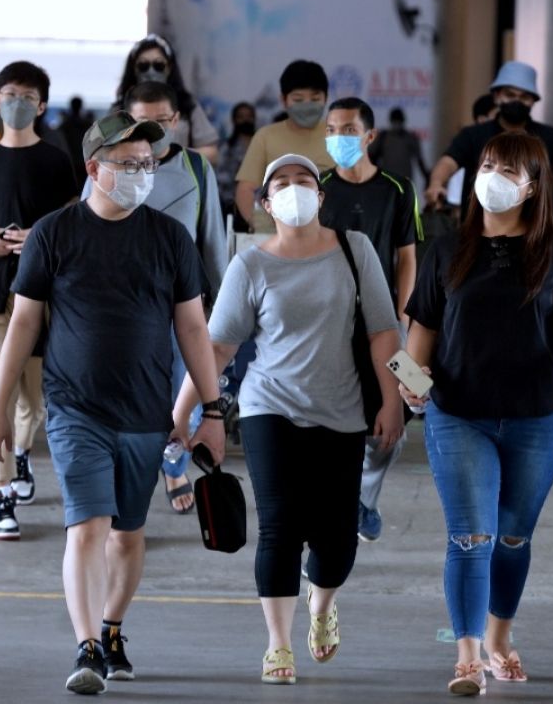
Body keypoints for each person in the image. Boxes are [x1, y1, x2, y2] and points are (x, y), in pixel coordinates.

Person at [0, 111, 225, 694]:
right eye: (129, 164)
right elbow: (23, 324)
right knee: (87, 526)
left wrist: (209, 411)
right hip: (74, 409)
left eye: (149, 164)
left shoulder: (170, 238)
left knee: (127, 534)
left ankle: (113, 628)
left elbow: (193, 329)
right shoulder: (53, 234)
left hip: (147, 412)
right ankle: (87, 644)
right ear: (95, 168)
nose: (143, 173)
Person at [401, 132, 553, 695]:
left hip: (537, 416)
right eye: (487, 166)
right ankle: (467, 654)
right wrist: (411, 386)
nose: (493, 177)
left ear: (533, 186)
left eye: (509, 170)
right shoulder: (446, 251)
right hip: (459, 415)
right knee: (470, 536)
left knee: (511, 537)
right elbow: (421, 330)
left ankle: (500, 636)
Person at [174, 153, 402, 685]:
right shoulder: (250, 265)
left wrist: (392, 399)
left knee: (337, 537)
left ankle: (321, 607)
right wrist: (184, 412)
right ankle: (278, 644)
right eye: (282, 183)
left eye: (305, 182)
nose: (295, 190)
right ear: (265, 203)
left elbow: (382, 332)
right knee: (279, 527)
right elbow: (218, 347)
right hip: (268, 408)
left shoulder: (354, 249)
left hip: (343, 411)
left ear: (320, 198)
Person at [80, 80, 229, 514]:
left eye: (162, 120)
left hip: (181, 305)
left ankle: (174, 464)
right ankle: (125, 470)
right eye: (144, 121)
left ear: (176, 120)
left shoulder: (196, 169)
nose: (155, 128)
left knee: (183, 391)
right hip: (119, 310)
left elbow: (212, 240)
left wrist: (218, 303)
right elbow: (86, 227)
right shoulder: (107, 170)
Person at [0, 61, 80, 540]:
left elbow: (75, 223)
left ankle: (23, 456)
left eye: (27, 96)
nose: (17, 102)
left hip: (41, 293)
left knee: (32, 399)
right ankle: (1, 495)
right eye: (9, 94)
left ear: (42, 105)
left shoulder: (56, 160)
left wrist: (40, 236)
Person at [320, 97, 421, 542]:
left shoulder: (398, 189)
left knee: (408, 404)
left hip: (386, 326)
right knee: (331, 424)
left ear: (369, 136)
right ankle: (343, 510)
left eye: (346, 130)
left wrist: (402, 317)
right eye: (331, 130)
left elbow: (407, 259)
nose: (337, 138)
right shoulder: (317, 186)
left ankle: (362, 498)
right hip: (328, 327)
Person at [423, 61, 553, 247]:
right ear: (497, 97)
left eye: (524, 97)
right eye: (510, 95)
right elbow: (448, 162)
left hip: (534, 236)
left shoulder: (550, 137)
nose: (517, 101)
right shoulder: (473, 135)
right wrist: (436, 184)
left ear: (533, 101)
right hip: (478, 235)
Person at [233, 60, 334, 231]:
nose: (307, 105)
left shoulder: (338, 136)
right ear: (284, 100)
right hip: (280, 234)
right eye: (298, 99)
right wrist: (261, 225)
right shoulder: (266, 136)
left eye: (315, 98)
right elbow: (245, 189)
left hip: (331, 232)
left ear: (326, 98)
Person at [114, 34, 219, 164]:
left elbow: (212, 152)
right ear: (134, 69)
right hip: (133, 177)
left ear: (169, 68)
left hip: (179, 178)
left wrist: (174, 155)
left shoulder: (187, 105)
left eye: (158, 65)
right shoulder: (119, 109)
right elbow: (104, 152)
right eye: (143, 65)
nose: (151, 71)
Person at [368, 106, 428, 205]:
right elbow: (371, 157)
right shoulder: (383, 137)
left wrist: (427, 177)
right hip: (387, 182)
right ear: (391, 121)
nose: (397, 125)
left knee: (403, 210)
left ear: (403, 122)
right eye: (395, 122)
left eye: (399, 122)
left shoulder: (410, 138)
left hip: (405, 183)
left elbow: (419, 160)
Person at [215, 102, 256, 218]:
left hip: (261, 205)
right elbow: (222, 179)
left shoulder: (262, 144)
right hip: (232, 205)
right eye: (241, 117)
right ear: (234, 120)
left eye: (249, 116)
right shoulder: (226, 147)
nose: (246, 120)